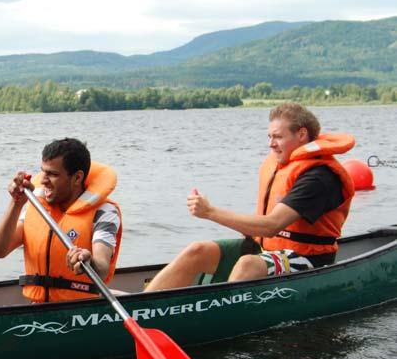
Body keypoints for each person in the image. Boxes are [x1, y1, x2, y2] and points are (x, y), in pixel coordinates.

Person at [145, 103, 356, 291]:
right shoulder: (282, 164)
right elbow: (265, 231)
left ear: (301, 134)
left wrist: (209, 212)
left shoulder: (318, 177)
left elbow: (271, 225)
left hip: (309, 259)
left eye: (278, 137)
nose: (271, 144)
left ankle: (216, 318)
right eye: (270, 137)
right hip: (266, 247)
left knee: (248, 263)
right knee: (197, 250)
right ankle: (143, 309)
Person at [0, 138, 123, 303]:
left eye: (53, 174)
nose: (43, 180)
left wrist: (88, 260)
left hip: (81, 309)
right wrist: (16, 203)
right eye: (43, 172)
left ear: (77, 178)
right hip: (38, 306)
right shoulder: (36, 207)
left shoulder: (104, 212)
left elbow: (102, 268)